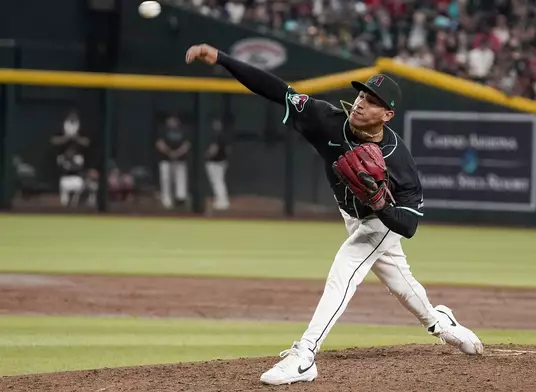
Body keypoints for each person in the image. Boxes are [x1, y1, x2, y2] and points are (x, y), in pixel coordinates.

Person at [185, 43, 484, 386]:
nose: (361, 103)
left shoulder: (398, 160)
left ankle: (305, 355)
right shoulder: (326, 119)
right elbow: (275, 90)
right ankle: (440, 322)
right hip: (353, 215)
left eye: (373, 101)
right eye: (361, 96)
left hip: (381, 221)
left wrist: (379, 204)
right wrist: (222, 58)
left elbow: (409, 225)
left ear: (388, 115)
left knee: (344, 271)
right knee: (400, 282)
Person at [156, 114, 191, 209]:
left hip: (180, 160)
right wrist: (169, 152)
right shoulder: (162, 131)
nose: (172, 122)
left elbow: (186, 145)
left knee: (180, 179)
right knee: (166, 180)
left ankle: (180, 199)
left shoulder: (183, 131)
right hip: (165, 160)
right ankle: (166, 199)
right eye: (170, 120)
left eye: (174, 120)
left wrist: (177, 153)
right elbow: (159, 144)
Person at [205, 118, 231, 210]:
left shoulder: (216, 136)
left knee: (217, 182)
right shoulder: (224, 136)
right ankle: (222, 201)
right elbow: (228, 150)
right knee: (219, 181)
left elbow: (214, 149)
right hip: (222, 161)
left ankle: (222, 202)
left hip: (215, 162)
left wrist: (207, 155)